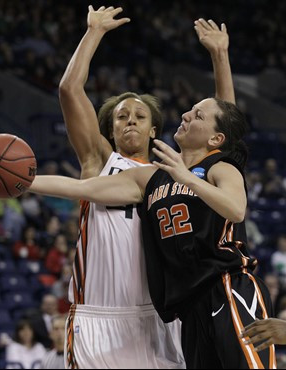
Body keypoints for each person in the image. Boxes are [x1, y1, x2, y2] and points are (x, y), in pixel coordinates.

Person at [29, 96, 277, 369]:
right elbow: (80, 188)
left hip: (227, 286)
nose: (185, 115)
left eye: (197, 116)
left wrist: (187, 178)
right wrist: (22, 182)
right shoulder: (151, 177)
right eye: (189, 110)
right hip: (189, 304)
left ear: (216, 139)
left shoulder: (221, 168)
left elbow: (236, 210)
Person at [56, 4, 235, 368]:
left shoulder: (175, 173)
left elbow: (224, 131)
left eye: (140, 116)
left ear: (155, 129)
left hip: (160, 319)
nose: (130, 122)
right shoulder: (99, 162)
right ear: (111, 129)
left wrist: (220, 56)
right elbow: (70, 89)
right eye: (122, 117)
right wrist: (94, 32)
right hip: (98, 315)